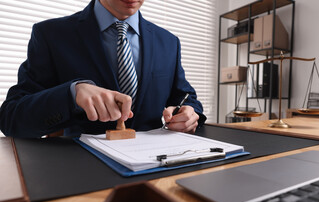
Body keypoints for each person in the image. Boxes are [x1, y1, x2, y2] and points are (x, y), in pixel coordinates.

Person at [0, 0, 206, 138]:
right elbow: (11, 118)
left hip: (158, 171)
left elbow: (186, 97)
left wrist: (189, 113)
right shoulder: (51, 35)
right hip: (83, 178)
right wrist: (72, 94)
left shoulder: (169, 42)